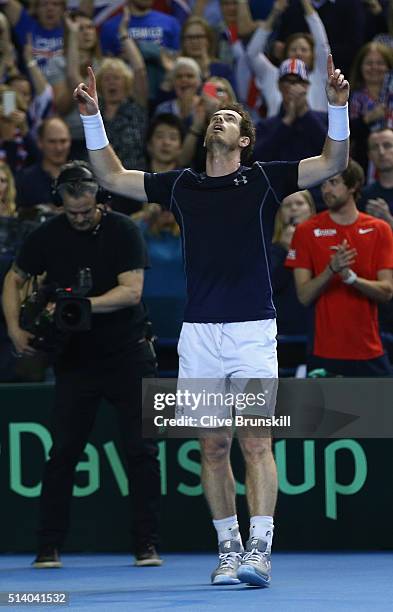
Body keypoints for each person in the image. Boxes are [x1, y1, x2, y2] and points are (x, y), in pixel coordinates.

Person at [73, 53, 350, 587]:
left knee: (254, 442)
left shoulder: (266, 179)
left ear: (245, 141)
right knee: (213, 446)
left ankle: (260, 551)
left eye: (231, 119)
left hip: (251, 332)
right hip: (199, 336)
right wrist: (91, 115)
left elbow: (331, 163)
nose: (219, 120)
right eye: (215, 118)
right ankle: (228, 549)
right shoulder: (181, 185)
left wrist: (336, 109)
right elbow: (109, 174)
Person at [2, 160, 162, 568]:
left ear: (100, 200)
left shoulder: (124, 230)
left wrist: (80, 305)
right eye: (70, 211)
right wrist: (15, 330)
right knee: (63, 454)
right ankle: (48, 546)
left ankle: (147, 544)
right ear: (60, 203)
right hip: (75, 357)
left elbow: (131, 292)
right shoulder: (46, 234)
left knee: (142, 452)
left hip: (127, 352)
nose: (78, 217)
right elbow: (14, 278)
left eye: (85, 211)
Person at [286, 159, 393, 377]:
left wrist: (351, 278)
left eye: (333, 182)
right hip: (324, 351)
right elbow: (304, 296)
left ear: (353, 186)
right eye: (323, 184)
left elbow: (386, 291)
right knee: (328, 413)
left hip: (369, 350)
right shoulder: (306, 231)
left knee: (378, 412)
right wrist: (331, 270)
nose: (326, 189)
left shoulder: (379, 229)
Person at [253, 58, 327, 162]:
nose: (293, 86)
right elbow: (257, 158)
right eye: (288, 81)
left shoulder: (324, 119)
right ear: (279, 85)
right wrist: (287, 121)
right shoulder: (264, 126)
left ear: (306, 86)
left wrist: (305, 113)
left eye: (298, 81)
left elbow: (331, 151)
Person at [271, 189, 315, 335]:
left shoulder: (322, 242)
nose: (294, 208)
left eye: (299, 203)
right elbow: (272, 285)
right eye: (287, 205)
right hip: (283, 329)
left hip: (316, 324)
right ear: (280, 213)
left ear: (310, 209)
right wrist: (286, 249)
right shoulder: (270, 248)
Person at [15, 117, 71, 211]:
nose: (58, 148)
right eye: (52, 142)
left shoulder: (81, 177)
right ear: (40, 143)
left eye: (63, 141)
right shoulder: (25, 179)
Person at [360, 127, 393, 230]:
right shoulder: (363, 195)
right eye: (375, 147)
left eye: (387, 145)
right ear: (369, 155)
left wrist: (389, 221)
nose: (381, 152)